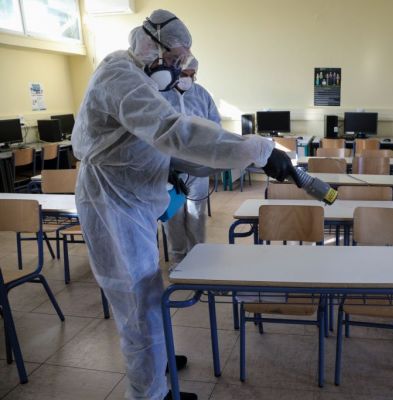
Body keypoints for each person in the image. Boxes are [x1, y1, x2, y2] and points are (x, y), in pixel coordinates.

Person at [72, 9, 297, 400]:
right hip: (111, 201)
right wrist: (258, 151)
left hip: (132, 199)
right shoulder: (119, 75)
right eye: (175, 60)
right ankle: (150, 394)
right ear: (151, 44)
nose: (177, 70)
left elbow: (175, 150)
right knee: (137, 304)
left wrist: (243, 160)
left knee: (148, 292)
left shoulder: (147, 81)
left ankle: (157, 369)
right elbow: (173, 131)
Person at [162, 58, 218, 264]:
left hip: (197, 166)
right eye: (183, 74)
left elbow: (215, 126)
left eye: (191, 74)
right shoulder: (160, 94)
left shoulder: (202, 95)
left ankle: (198, 257)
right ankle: (178, 258)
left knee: (196, 213)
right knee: (174, 216)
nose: (188, 78)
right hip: (169, 169)